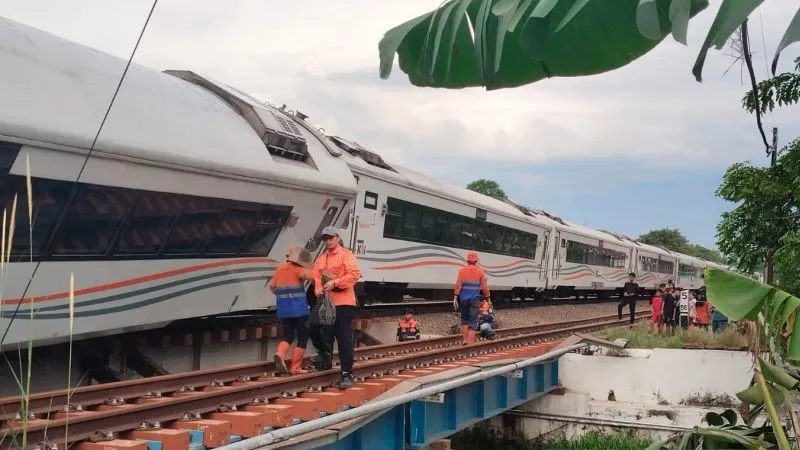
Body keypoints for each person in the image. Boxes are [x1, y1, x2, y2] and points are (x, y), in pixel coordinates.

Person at [311, 226, 361, 389]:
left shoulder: (346, 255)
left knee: (343, 337)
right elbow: (316, 276)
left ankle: (347, 372)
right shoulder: (322, 258)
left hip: (343, 303)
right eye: (325, 239)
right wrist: (317, 288)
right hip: (327, 303)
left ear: (337, 238)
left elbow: (354, 274)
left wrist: (335, 282)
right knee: (321, 331)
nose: (327, 241)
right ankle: (325, 359)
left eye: (330, 238)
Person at [270, 246, 313, 375]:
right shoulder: (299, 269)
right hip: (300, 310)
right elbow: (311, 277)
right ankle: (295, 367)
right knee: (303, 337)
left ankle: (280, 353)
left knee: (288, 336)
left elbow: (272, 287)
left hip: (284, 310)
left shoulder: (279, 269)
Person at [453, 251, 490, 345]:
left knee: (464, 319)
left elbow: (458, 285)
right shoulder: (480, 272)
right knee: (473, 321)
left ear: (467, 260)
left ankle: (465, 340)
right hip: (474, 299)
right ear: (476, 261)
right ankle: (470, 343)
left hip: (463, 299)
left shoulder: (462, 271)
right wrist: (488, 298)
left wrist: (455, 297)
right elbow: (485, 287)